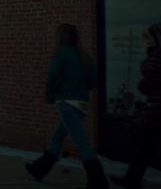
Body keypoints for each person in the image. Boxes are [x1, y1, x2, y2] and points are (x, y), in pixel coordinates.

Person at [25, 23, 108, 189]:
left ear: (60, 37)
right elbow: (93, 82)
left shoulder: (61, 54)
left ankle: (98, 180)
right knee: (57, 137)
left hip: (66, 103)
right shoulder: (85, 56)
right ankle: (40, 168)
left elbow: (52, 77)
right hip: (82, 104)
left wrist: (49, 96)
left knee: (81, 141)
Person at [111, 23, 161, 188]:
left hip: (159, 108)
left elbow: (150, 81)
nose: (145, 41)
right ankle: (132, 180)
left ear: (158, 38)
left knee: (143, 144)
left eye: (148, 38)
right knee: (146, 145)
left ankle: (131, 180)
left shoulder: (160, 55)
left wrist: (142, 85)